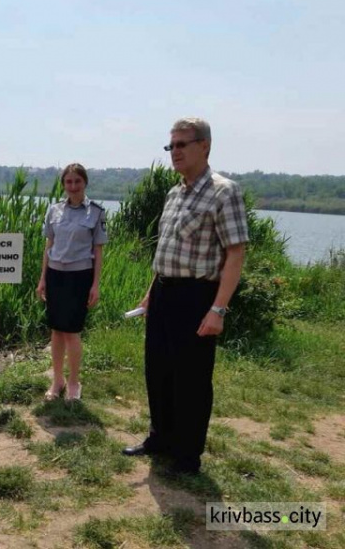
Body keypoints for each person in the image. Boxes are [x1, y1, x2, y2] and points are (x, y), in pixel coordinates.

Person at [122, 117, 248, 475]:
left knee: (190, 378)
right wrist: (150, 293)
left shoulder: (224, 191)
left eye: (182, 144)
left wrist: (218, 309)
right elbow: (167, 249)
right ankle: (160, 437)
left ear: (204, 145)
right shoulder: (174, 193)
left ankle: (187, 455)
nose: (174, 152)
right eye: (171, 145)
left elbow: (235, 254)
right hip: (164, 292)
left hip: (197, 296)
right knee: (158, 370)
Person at [36, 163, 107, 401]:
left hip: (80, 277)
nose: (73, 186)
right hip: (56, 275)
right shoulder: (53, 210)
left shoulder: (96, 212)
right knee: (56, 330)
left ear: (85, 183)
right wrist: (43, 278)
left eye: (77, 181)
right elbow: (49, 247)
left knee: (72, 332)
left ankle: (74, 382)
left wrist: (95, 284)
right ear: (63, 184)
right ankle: (57, 381)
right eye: (68, 182)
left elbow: (98, 251)